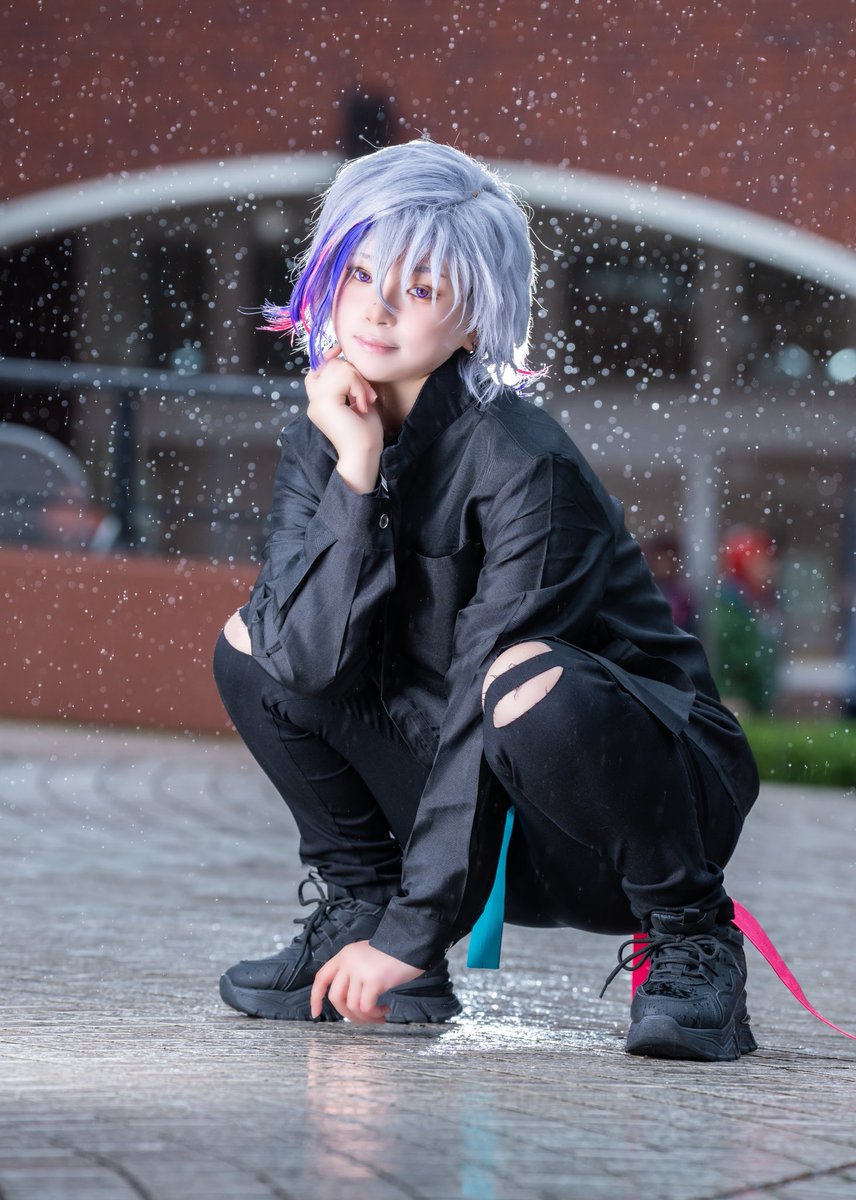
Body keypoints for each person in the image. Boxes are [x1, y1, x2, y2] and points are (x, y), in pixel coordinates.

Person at [212, 139, 761, 1062]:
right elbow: (305, 661)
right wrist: (357, 471)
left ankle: (692, 937)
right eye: (360, 274)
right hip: (473, 797)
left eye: (421, 288)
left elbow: (481, 696)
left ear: (474, 318)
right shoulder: (328, 432)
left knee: (524, 682)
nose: (377, 308)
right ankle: (364, 907)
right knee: (251, 645)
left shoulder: (524, 463)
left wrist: (415, 932)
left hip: (619, 813)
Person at [710, 526, 781, 717]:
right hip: (737, 701)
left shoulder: (760, 601)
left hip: (755, 701)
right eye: (759, 562)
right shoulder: (731, 603)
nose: (769, 569)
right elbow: (737, 656)